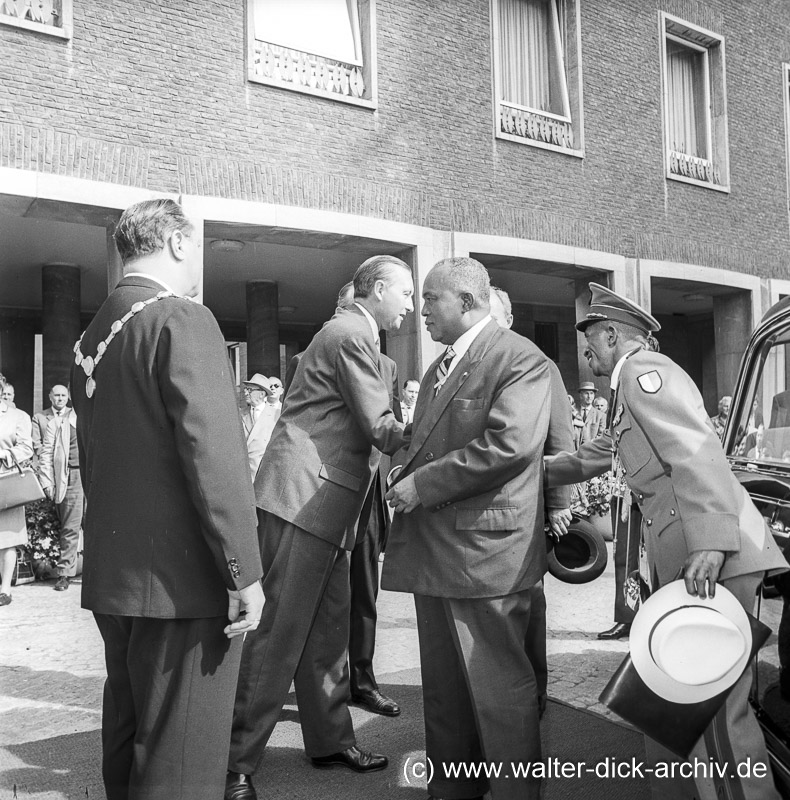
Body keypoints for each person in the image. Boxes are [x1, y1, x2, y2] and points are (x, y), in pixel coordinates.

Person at [544, 282, 788, 800]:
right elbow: (594, 456)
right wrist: (527, 468)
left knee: (716, 713)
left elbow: (696, 450)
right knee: (688, 703)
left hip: (711, 554)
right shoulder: (627, 388)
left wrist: (710, 543)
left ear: (613, 334)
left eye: (590, 339)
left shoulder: (641, 374)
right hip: (697, 552)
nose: (586, 352)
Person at [70, 198, 264, 800]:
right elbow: (214, 455)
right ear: (178, 243)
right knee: (181, 753)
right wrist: (244, 570)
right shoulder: (181, 318)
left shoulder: (90, 335)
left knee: (130, 735)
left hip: (117, 572)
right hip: (183, 578)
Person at [225, 256, 413, 800]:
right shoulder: (353, 334)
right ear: (377, 290)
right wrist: (442, 425)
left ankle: (330, 738)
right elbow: (380, 426)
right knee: (277, 633)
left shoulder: (351, 333)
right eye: (403, 294)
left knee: (329, 628)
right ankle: (237, 759)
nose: (410, 306)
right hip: (303, 499)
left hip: (326, 502)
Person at [384, 258, 551, 800]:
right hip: (439, 552)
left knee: (499, 697)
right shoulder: (440, 367)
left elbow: (510, 446)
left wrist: (421, 485)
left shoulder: (520, 358)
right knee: (446, 696)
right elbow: (433, 439)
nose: (421, 310)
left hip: (484, 557)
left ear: (468, 301)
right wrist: (404, 467)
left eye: (432, 299)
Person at [490, 286, 572, 717]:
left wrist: (558, 503)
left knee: (527, 612)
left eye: (493, 314)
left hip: (528, 509)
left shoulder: (539, 365)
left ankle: (533, 698)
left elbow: (560, 438)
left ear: (508, 319)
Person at [331, 280, 404, 718]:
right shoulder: (318, 353)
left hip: (371, 494)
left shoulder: (389, 366)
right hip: (332, 492)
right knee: (324, 594)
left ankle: (362, 679)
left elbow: (388, 426)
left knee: (364, 593)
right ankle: (319, 682)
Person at [38, 395, 84, 591]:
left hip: (96, 478)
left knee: (100, 527)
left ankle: (98, 575)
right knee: (70, 527)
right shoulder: (58, 423)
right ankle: (65, 573)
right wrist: (47, 482)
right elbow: (46, 454)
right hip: (71, 477)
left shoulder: (98, 419)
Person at [0, 372, 34, 607]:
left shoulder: (17, 416)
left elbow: (26, 448)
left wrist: (3, 456)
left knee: (7, 538)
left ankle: (5, 589)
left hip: (6, 482)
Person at [240, 374, 279, 481]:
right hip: (242, 476)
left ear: (262, 394)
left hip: (264, 475)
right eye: (245, 389)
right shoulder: (239, 414)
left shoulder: (277, 415)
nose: (245, 392)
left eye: (250, 389)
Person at [32, 385, 69, 456]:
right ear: (50, 397)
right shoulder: (39, 418)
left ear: (68, 397)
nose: (60, 398)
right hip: (47, 461)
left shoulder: (74, 416)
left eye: (63, 395)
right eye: (57, 395)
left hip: (71, 463)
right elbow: (37, 446)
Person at [574, 381, 605, 446]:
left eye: (591, 393)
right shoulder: (574, 413)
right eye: (586, 393)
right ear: (580, 395)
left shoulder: (601, 415)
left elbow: (601, 437)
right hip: (575, 452)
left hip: (592, 451)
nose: (589, 396)